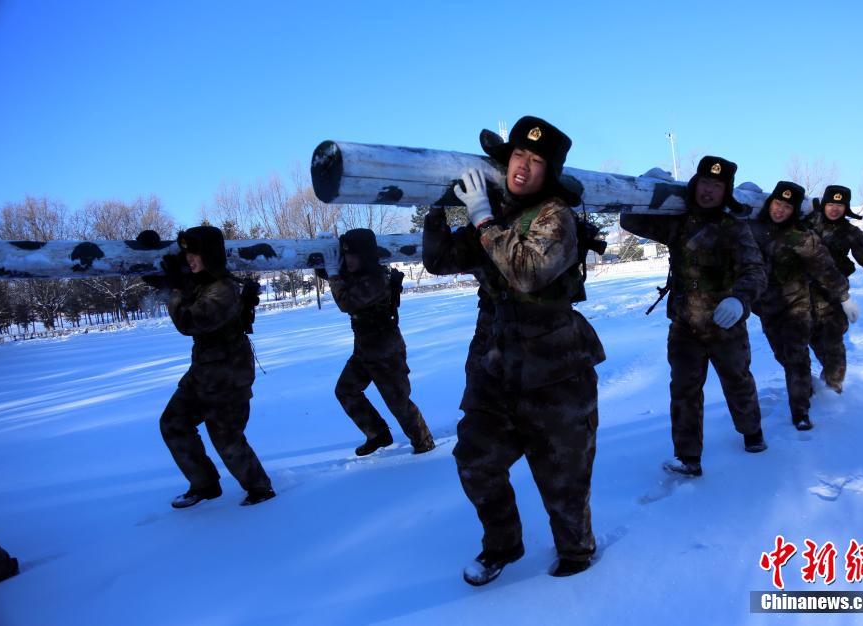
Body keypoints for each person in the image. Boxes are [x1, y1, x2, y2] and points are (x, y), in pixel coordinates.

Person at [423, 116, 605, 584]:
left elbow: (526, 271)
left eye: (537, 161)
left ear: (549, 172)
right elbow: (440, 260)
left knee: (562, 473)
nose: (524, 167)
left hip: (556, 367)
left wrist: (482, 216)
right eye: (519, 156)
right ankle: (502, 544)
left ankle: (577, 552)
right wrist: (437, 210)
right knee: (475, 460)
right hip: (495, 365)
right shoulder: (497, 214)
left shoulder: (555, 217)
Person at [621, 156, 768, 478]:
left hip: (725, 324)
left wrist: (739, 300)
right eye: (704, 183)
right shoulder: (679, 221)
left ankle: (752, 432)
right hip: (686, 327)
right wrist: (647, 190)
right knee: (684, 391)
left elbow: (756, 271)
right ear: (695, 184)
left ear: (725, 190)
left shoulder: (734, 227)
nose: (708, 191)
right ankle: (688, 457)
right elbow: (629, 222)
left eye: (716, 186)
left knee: (738, 382)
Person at [146, 226, 274, 508]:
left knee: (226, 436)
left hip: (229, 372)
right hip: (203, 370)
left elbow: (189, 322)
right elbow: (168, 280)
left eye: (196, 253)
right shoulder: (200, 280)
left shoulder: (223, 288)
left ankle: (260, 489)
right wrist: (148, 255)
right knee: (173, 423)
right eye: (187, 253)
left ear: (211, 255)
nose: (190, 259)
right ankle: (204, 484)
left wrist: (176, 289)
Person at [320, 228, 435, 456]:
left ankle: (424, 444)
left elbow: (346, 302)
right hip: (364, 350)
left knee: (398, 402)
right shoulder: (358, 272)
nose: (349, 261)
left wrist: (333, 273)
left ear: (365, 256)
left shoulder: (375, 279)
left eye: (353, 256)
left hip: (386, 351)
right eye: (346, 255)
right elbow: (334, 271)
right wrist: (324, 251)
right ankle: (378, 433)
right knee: (346, 390)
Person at [749, 181, 851, 430]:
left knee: (796, 357)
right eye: (777, 203)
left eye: (787, 206)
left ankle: (801, 412)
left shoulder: (802, 237)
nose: (780, 210)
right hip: (766, 308)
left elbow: (825, 267)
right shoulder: (752, 230)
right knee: (782, 355)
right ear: (769, 203)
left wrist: (844, 296)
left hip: (797, 305)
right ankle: (807, 388)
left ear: (794, 211)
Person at [806, 185, 863, 393]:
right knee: (813, 339)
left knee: (833, 340)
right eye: (831, 204)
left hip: (835, 294)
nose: (835, 209)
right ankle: (823, 379)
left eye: (840, 205)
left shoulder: (850, 232)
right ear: (823, 204)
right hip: (803, 293)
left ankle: (834, 388)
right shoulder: (807, 223)